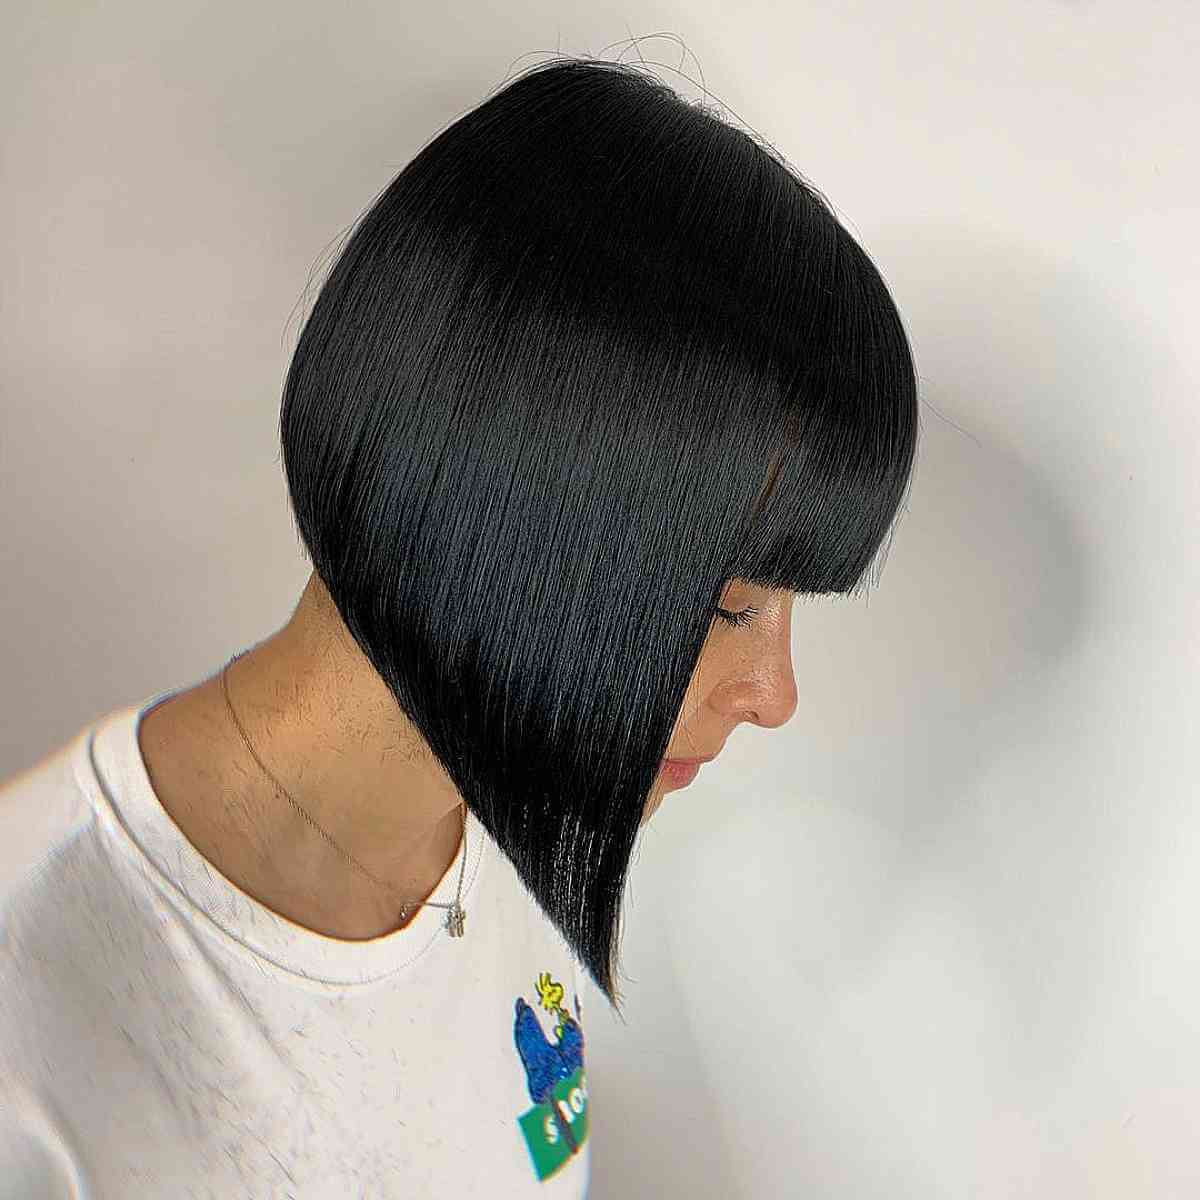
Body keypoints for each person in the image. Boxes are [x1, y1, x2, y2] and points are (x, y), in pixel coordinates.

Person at [0, 54, 919, 1199]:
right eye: (733, 603)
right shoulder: (33, 1029)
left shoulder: (510, 850)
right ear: (512, 499)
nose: (775, 695)